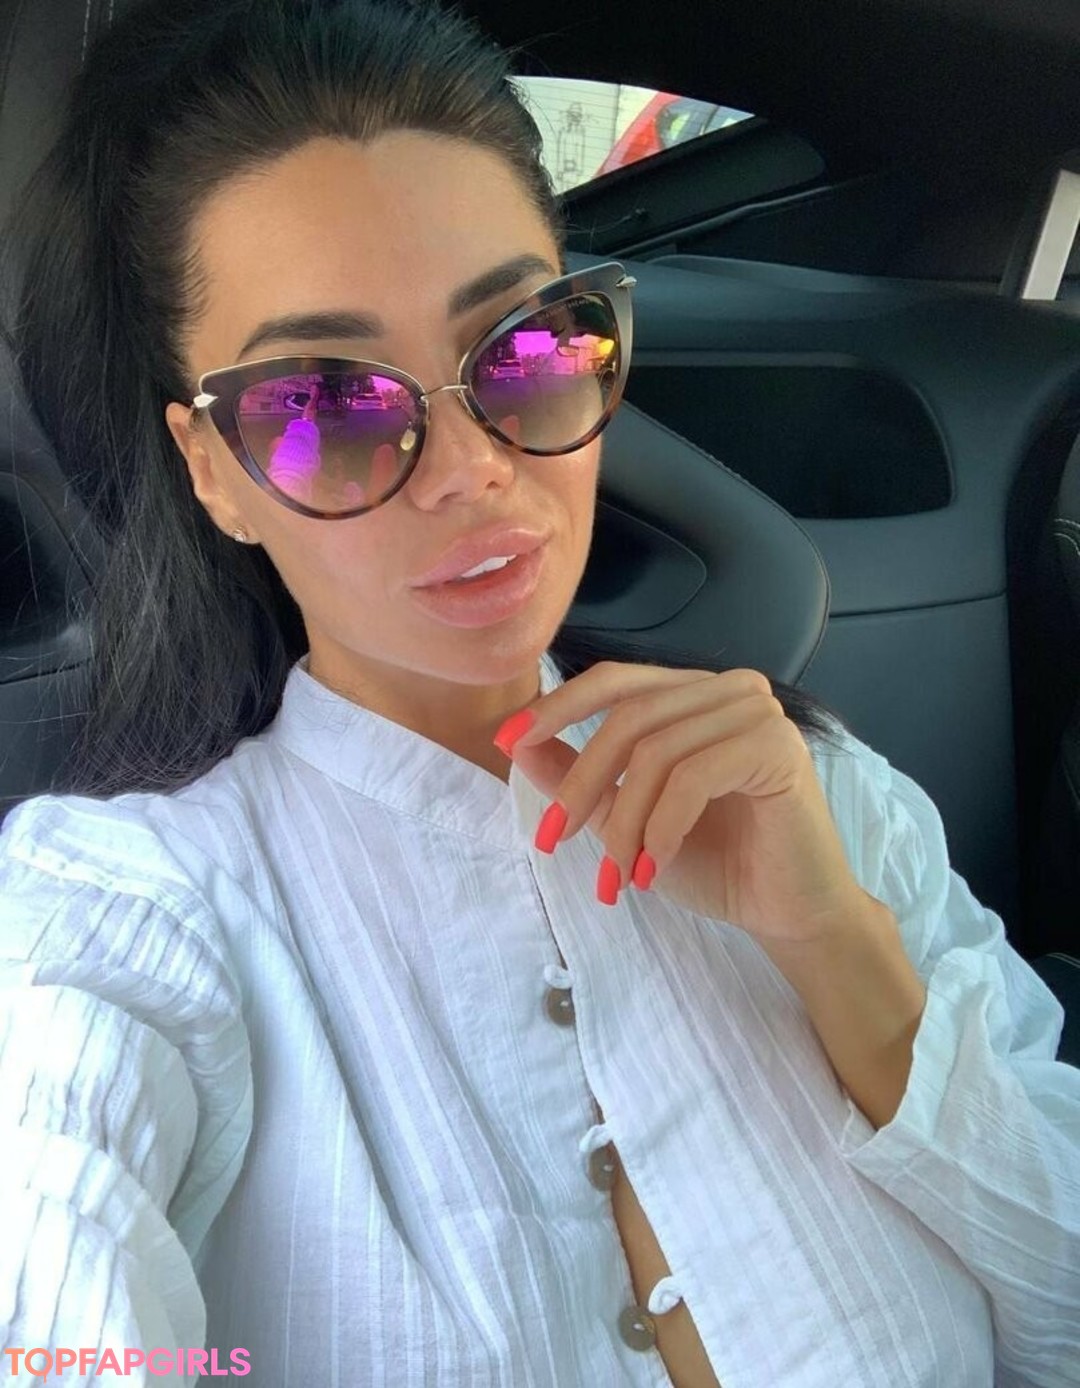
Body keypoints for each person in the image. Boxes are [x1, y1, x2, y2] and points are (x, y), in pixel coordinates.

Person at [0, 0, 1077, 1384]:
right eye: (324, 403)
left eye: (520, 347)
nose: (473, 471)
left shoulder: (824, 801)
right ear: (214, 471)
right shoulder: (121, 912)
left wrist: (837, 946)